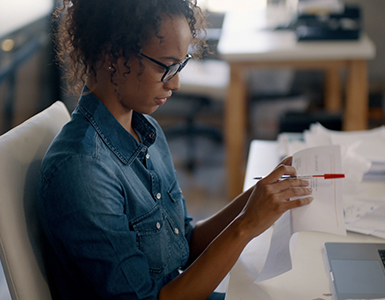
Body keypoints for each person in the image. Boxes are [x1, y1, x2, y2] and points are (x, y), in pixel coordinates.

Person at [37, 0, 313, 299]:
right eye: (166, 66)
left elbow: (186, 243)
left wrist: (259, 197)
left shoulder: (147, 132)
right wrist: (246, 226)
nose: (177, 83)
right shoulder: (83, 170)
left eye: (180, 65)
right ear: (111, 55)